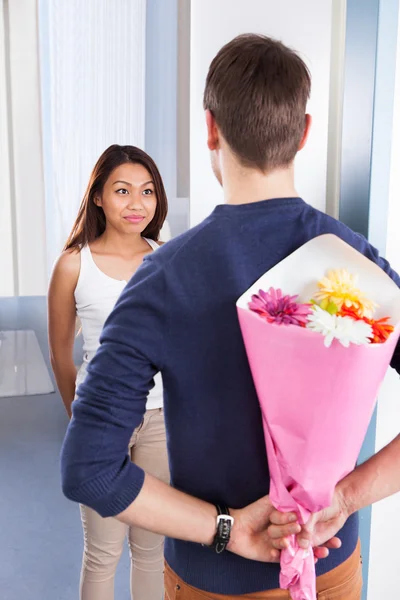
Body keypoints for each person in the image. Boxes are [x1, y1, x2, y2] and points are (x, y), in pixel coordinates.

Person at [60, 35, 400, 600]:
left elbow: (88, 469)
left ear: (211, 128)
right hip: (331, 568)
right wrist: (346, 497)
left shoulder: (162, 278)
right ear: (305, 132)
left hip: (210, 580)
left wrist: (229, 528)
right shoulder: (354, 263)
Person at [48, 145, 170, 600]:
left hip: (160, 419)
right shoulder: (73, 265)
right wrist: (79, 418)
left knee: (150, 547)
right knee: (103, 551)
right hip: (101, 420)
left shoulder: (167, 259)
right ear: (98, 196)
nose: (137, 203)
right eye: (122, 191)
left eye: (147, 192)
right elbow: (62, 356)